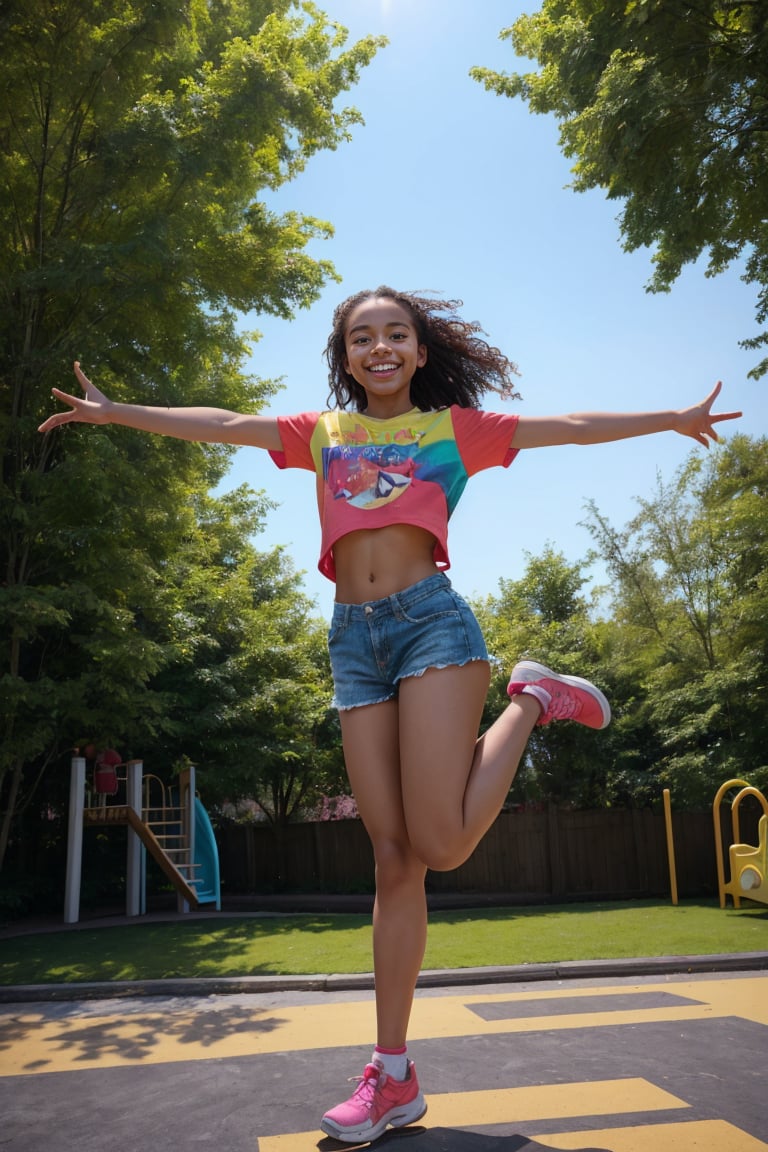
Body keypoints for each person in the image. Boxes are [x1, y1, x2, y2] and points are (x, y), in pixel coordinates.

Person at [39, 287, 741, 1143]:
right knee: (393, 857)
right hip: (352, 643)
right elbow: (222, 423)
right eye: (361, 337)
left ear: (417, 350)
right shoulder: (321, 434)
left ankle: (529, 697)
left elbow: (567, 424)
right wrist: (118, 413)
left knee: (441, 843)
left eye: (395, 334)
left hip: (430, 626)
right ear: (345, 357)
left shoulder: (455, 429)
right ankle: (394, 1074)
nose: (379, 347)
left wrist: (670, 417)